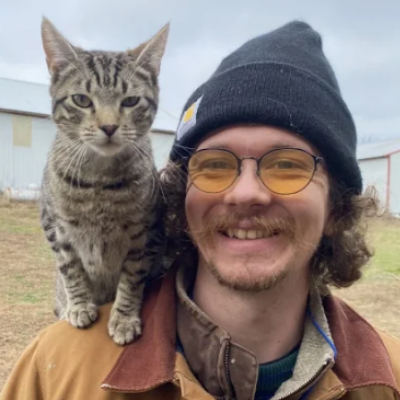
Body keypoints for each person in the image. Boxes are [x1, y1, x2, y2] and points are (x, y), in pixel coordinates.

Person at [2, 21, 400, 400]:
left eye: (286, 165)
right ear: (181, 195)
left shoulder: (389, 379)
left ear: (336, 207)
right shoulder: (55, 372)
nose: (246, 193)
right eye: (215, 165)